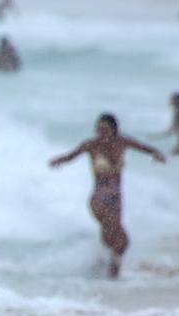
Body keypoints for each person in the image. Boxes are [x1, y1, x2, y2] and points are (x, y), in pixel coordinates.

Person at [49, 113, 166, 278]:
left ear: (114, 129)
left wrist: (157, 154)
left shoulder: (122, 142)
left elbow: (146, 148)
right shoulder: (91, 144)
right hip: (99, 199)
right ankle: (105, 271)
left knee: (113, 241)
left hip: (116, 199)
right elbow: (70, 156)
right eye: (99, 129)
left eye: (105, 129)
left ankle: (106, 276)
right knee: (120, 238)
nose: (101, 132)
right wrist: (58, 161)